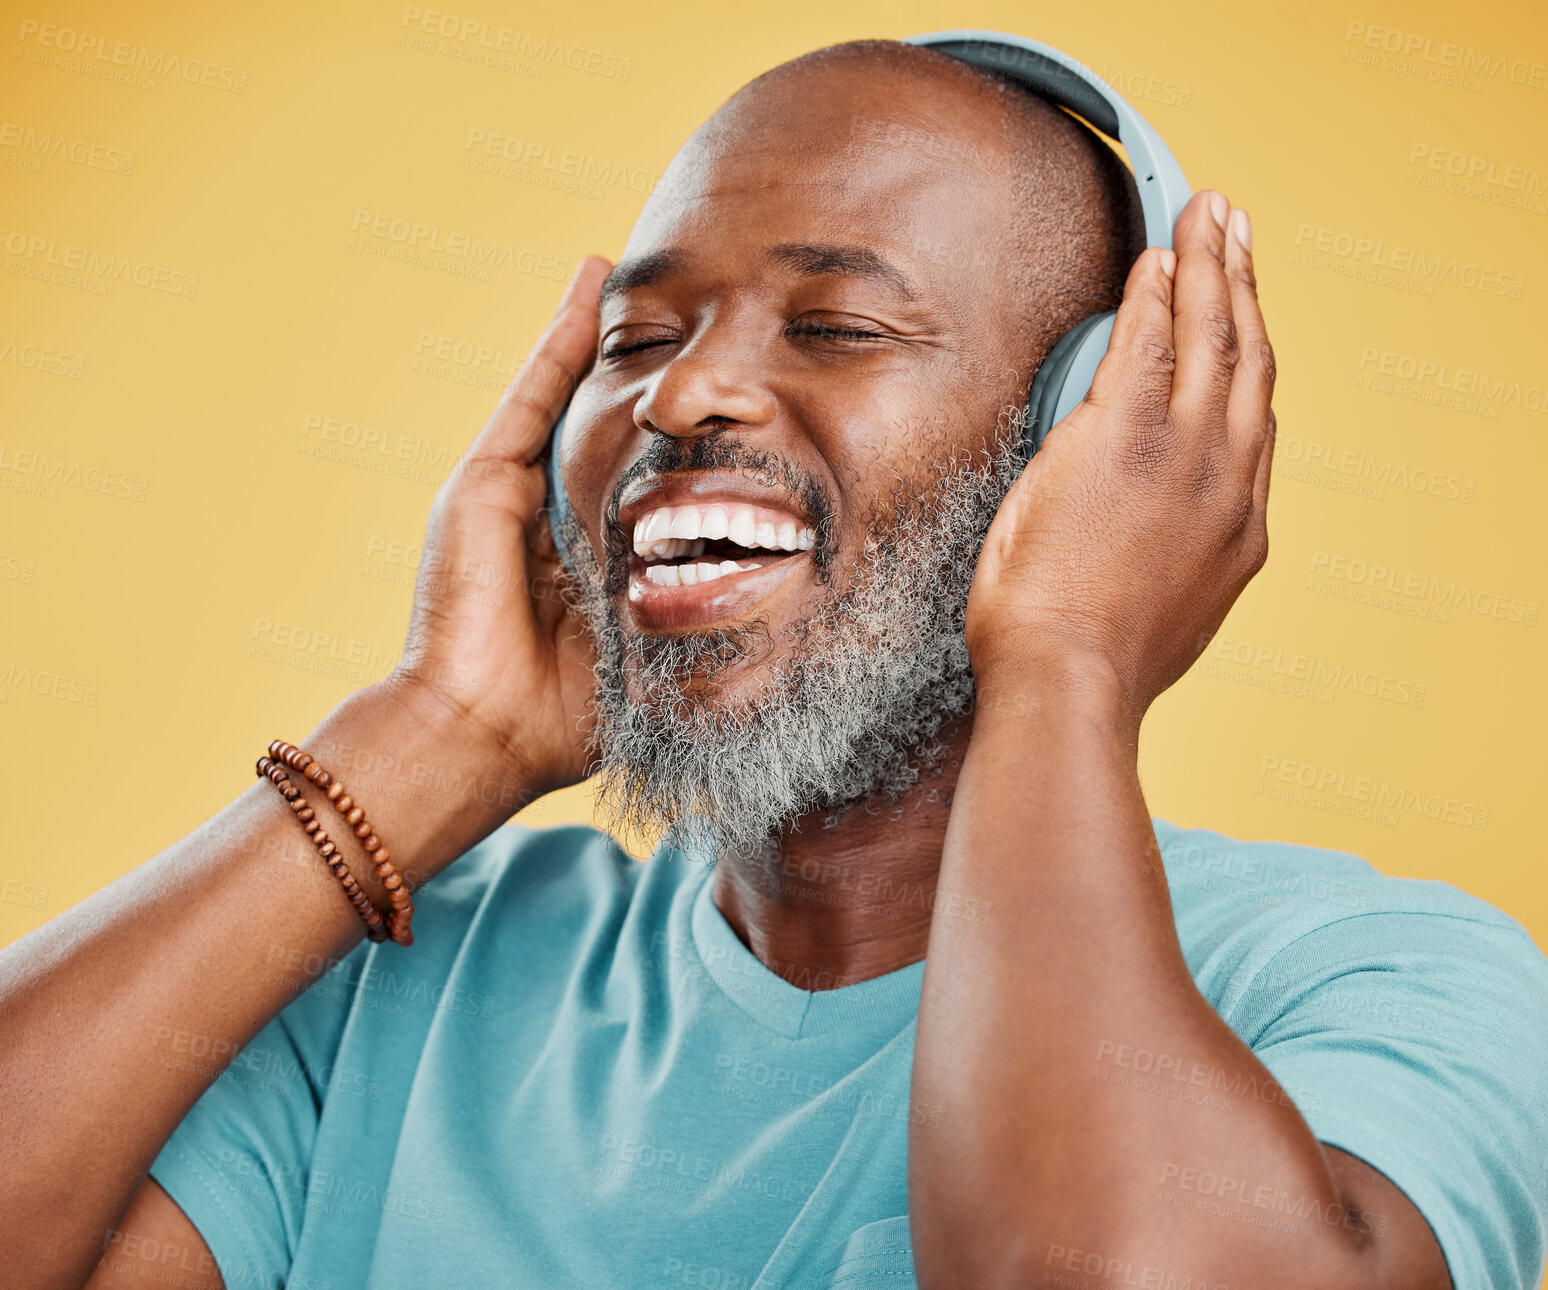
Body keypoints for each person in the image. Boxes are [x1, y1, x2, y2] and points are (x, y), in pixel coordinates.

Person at [3, 37, 1545, 1290]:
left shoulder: (1387, 979)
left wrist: (1067, 652)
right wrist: (435, 731)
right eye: (635, 337)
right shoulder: (389, 982)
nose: (687, 392)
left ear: (1080, 437)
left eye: (841, 324)